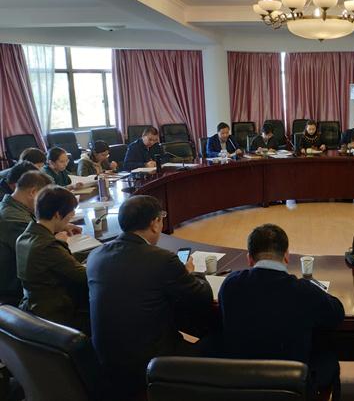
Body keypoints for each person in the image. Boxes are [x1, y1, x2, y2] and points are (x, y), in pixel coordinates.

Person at [87, 195, 214, 399]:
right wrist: (192, 273)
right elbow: (202, 296)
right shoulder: (162, 259)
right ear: (155, 224)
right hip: (150, 364)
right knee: (216, 341)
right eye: (161, 218)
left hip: (106, 361)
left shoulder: (96, 256)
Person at [218, 224, 345, 400]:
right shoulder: (305, 291)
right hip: (291, 385)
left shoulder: (230, 284)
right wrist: (318, 292)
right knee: (327, 354)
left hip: (241, 382)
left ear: (249, 259)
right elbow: (337, 314)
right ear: (287, 256)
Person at [16, 186, 88, 332]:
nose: (69, 221)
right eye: (68, 217)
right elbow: (84, 276)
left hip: (32, 307)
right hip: (56, 315)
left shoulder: (24, 237)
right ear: (57, 215)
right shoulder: (47, 246)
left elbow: (59, 261)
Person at [0, 171, 53, 306]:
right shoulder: (12, 217)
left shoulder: (15, 207)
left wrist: (57, 225)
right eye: (44, 197)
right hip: (15, 288)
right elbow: (39, 249)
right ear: (33, 192)